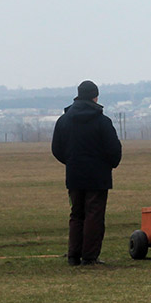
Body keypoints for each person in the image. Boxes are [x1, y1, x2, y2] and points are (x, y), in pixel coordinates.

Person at [51, 80, 123, 265]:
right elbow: (114, 149)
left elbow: (56, 149)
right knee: (94, 215)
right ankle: (90, 257)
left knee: (76, 214)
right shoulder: (102, 121)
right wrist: (108, 165)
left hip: (74, 175)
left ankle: (73, 255)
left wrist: (71, 162)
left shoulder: (63, 120)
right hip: (98, 177)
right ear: (95, 96)